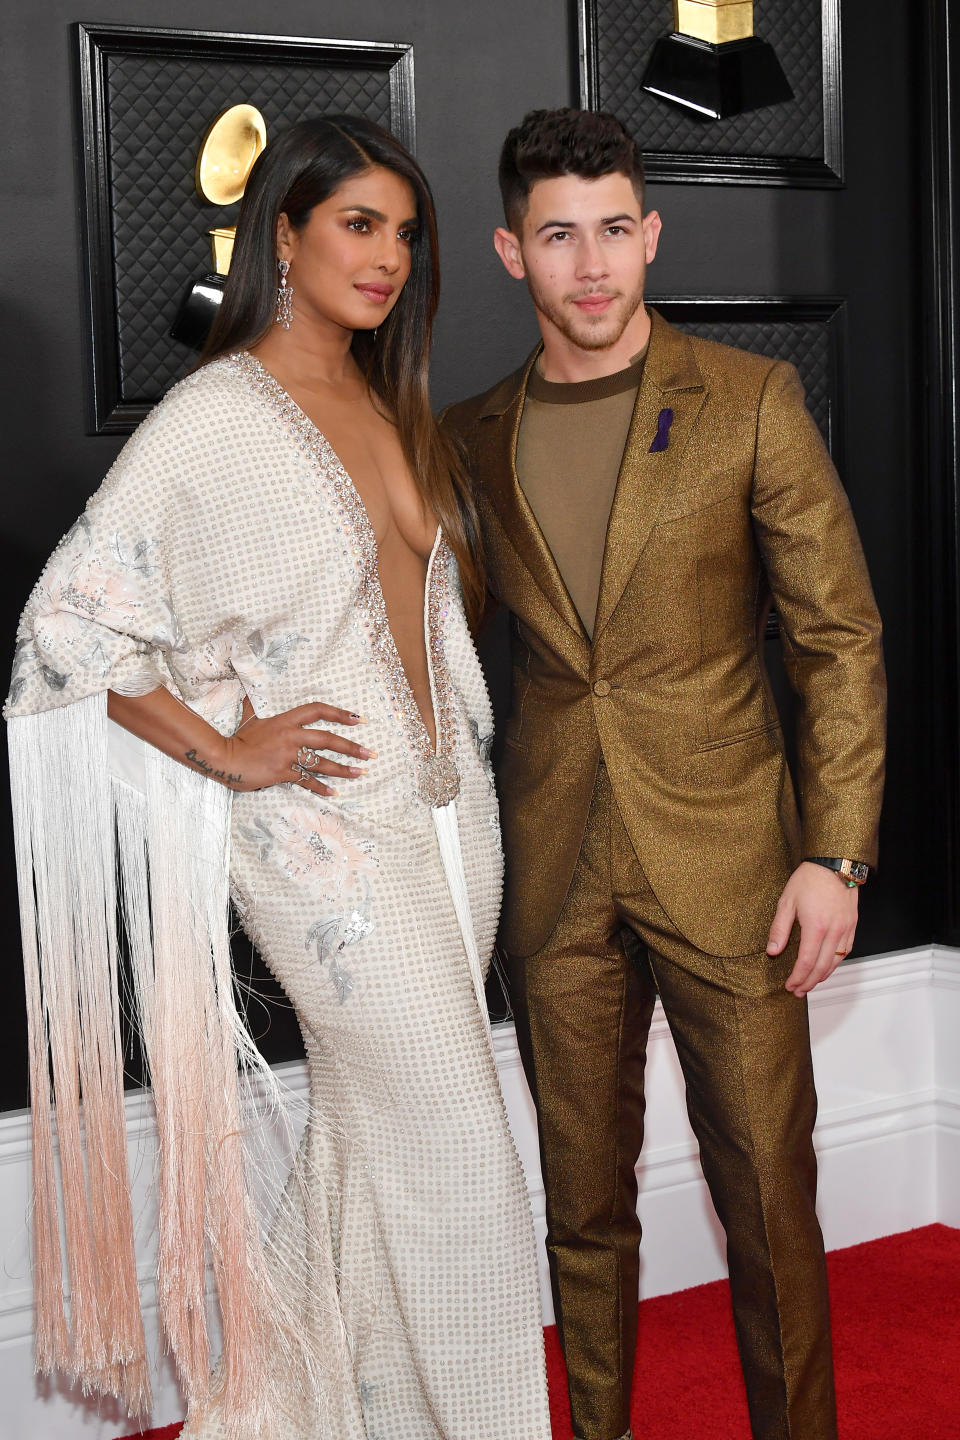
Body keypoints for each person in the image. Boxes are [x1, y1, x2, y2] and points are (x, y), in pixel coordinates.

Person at [6, 114, 552, 1440]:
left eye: (406, 233)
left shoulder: (386, 400)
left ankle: (298, 1415)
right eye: (358, 224)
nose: (388, 257)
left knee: (378, 1149)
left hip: (447, 822)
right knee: (473, 1167)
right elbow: (62, 635)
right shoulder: (212, 417)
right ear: (286, 233)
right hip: (323, 857)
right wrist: (225, 747)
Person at [441, 107, 886, 1440]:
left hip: (737, 868)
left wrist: (838, 854)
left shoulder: (750, 398)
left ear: (652, 236)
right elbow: (442, 656)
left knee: (767, 1205)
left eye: (614, 232)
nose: (592, 267)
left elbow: (838, 637)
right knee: (579, 1209)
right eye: (559, 236)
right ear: (512, 252)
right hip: (556, 872)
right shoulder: (468, 437)